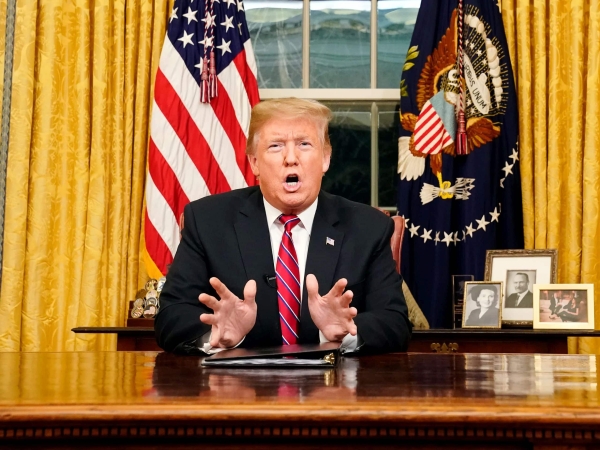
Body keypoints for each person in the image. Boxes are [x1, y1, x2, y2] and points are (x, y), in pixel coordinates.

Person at [154, 98, 412, 355]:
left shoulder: (368, 228)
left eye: (304, 144)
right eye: (276, 146)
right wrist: (216, 337)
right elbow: (170, 316)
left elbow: (395, 322)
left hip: (335, 389)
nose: (291, 158)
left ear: (325, 159)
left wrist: (346, 332)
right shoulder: (208, 221)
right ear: (254, 162)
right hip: (237, 389)